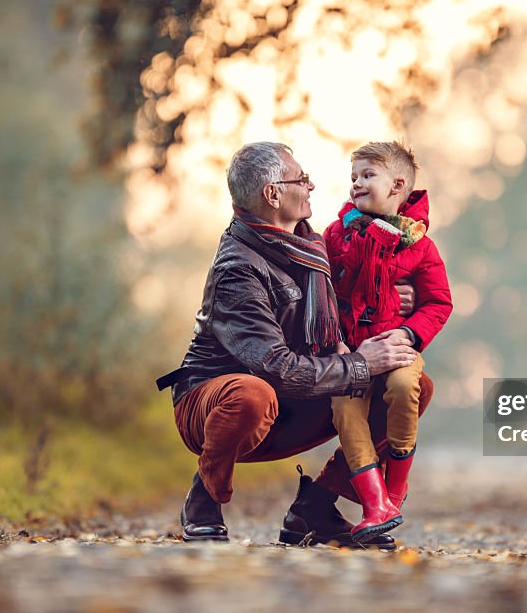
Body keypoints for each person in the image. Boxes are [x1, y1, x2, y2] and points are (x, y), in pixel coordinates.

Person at [156, 141, 433, 549]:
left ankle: (315, 508)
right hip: (218, 401)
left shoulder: (312, 246)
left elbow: (347, 298)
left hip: (290, 401)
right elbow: (275, 367)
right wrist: (360, 364)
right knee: (252, 394)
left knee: (410, 388)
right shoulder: (238, 268)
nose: (312, 185)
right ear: (273, 194)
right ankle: (204, 499)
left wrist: (395, 295)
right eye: (301, 179)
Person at [323, 141, 453, 542]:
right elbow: (320, 288)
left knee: (403, 387)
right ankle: (374, 501)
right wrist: (335, 342)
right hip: (351, 351)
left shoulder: (419, 246)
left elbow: (438, 302)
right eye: (353, 177)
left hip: (396, 347)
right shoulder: (336, 236)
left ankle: (395, 489)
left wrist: (410, 333)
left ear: (398, 185)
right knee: (346, 409)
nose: (356, 184)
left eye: (367, 176)